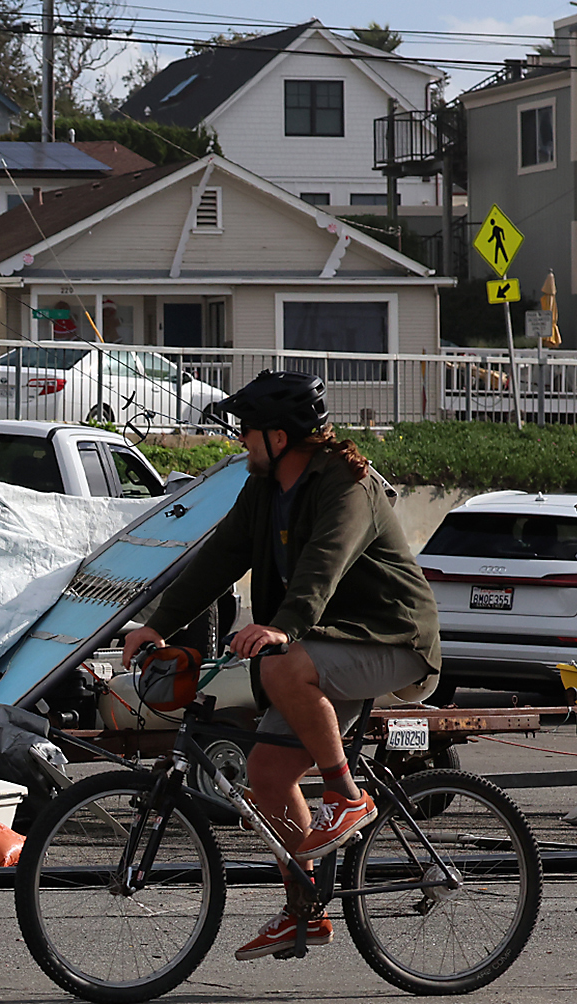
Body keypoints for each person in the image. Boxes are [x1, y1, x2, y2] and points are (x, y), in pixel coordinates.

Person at [121, 370, 440, 961]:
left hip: (392, 641)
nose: (239, 440)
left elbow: (325, 562)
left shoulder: (347, 483)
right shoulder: (265, 490)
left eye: (248, 430)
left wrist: (282, 627)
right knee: (266, 776)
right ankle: (304, 912)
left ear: (281, 436)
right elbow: (220, 556)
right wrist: (158, 623)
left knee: (280, 665)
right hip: (327, 645)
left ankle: (346, 796)